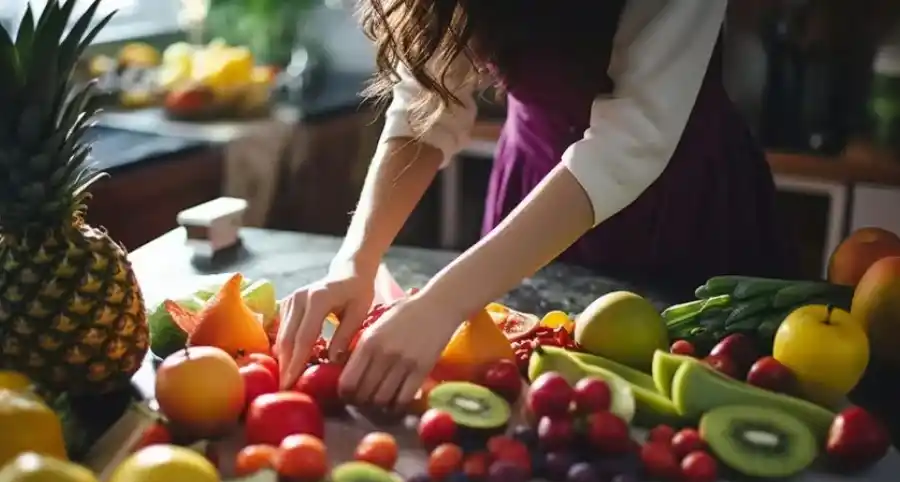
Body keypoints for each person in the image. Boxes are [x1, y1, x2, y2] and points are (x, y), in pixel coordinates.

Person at [276, 0, 790, 405]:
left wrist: (443, 302)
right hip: (531, 185)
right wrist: (355, 261)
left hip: (685, 205)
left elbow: (631, 140)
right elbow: (425, 107)